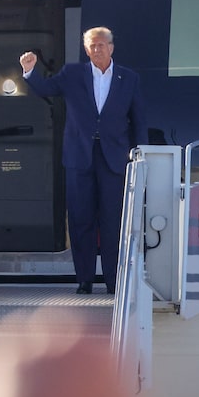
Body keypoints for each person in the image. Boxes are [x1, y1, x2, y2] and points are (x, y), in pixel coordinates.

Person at [19, 27, 147, 294]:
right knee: (81, 220)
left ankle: (114, 282)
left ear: (111, 47)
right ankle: (85, 279)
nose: (97, 49)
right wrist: (30, 71)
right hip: (79, 157)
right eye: (92, 46)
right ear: (86, 49)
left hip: (114, 158)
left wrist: (139, 153)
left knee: (113, 222)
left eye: (101, 45)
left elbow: (138, 120)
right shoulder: (73, 74)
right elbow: (46, 88)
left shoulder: (129, 78)